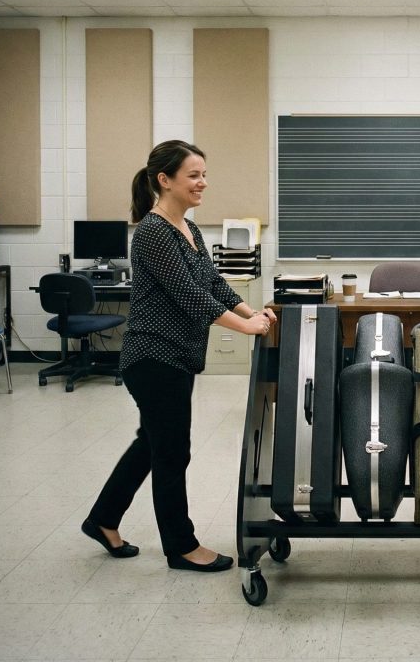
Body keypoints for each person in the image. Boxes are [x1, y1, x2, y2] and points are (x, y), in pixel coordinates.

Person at [80, 140, 276, 572]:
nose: (202, 182)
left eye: (204, 174)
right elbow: (188, 296)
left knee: (150, 444)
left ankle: (102, 520)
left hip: (176, 357)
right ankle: (181, 547)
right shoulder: (152, 232)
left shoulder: (190, 228)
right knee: (172, 452)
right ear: (164, 180)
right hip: (153, 358)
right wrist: (244, 328)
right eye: (193, 174)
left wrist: (252, 311)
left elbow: (212, 282)